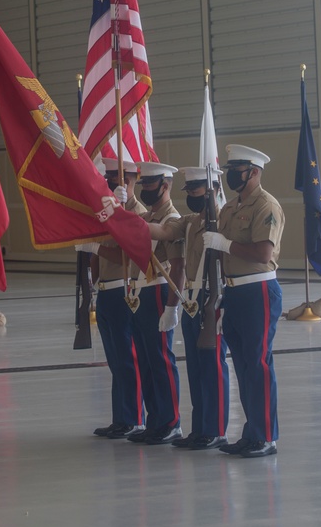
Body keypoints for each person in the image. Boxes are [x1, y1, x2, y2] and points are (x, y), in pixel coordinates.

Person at [203, 145, 284, 458]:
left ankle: (265, 436)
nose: (232, 174)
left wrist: (226, 243)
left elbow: (263, 253)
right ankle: (252, 432)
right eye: (230, 168)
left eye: (238, 169)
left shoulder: (266, 205)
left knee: (258, 364)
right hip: (233, 292)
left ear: (254, 172)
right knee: (242, 364)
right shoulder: (230, 208)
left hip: (258, 292)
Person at [148, 167, 230, 450]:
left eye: (196, 192)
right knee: (196, 368)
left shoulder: (225, 221)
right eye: (190, 192)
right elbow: (162, 230)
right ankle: (201, 428)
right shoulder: (192, 222)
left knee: (213, 366)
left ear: (212, 191)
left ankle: (216, 430)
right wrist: (122, 216)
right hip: (192, 300)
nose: (191, 197)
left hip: (213, 297)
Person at [108, 161, 183, 445]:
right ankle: (155, 421)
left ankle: (171, 422)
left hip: (158, 292)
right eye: (144, 186)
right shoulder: (152, 214)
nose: (147, 191)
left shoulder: (171, 217)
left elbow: (176, 261)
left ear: (165, 186)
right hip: (141, 292)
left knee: (161, 360)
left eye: (151, 186)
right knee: (148, 362)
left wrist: (172, 305)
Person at [84, 158, 151, 440]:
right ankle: (121, 417)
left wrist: (97, 247)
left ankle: (135, 418)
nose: (116, 183)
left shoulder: (139, 214)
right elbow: (98, 254)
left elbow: (128, 255)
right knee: (114, 360)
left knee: (128, 358)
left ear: (134, 180)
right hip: (107, 292)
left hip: (126, 291)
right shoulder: (107, 211)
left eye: (122, 178)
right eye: (111, 178)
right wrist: (92, 283)